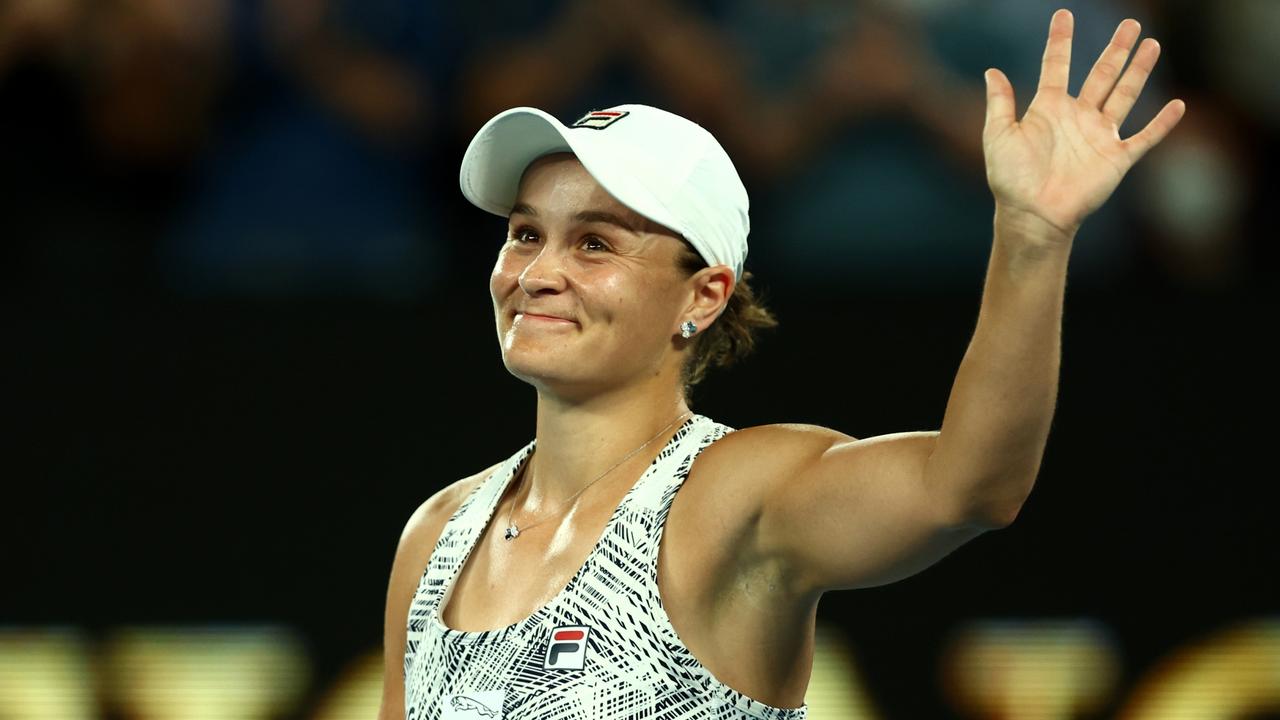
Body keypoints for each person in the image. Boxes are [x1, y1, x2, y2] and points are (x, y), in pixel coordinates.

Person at [377, 9, 1185, 719]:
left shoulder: (737, 496)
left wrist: (1033, 236)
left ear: (703, 296)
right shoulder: (438, 532)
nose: (539, 272)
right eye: (525, 233)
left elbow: (971, 486)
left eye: (594, 243)